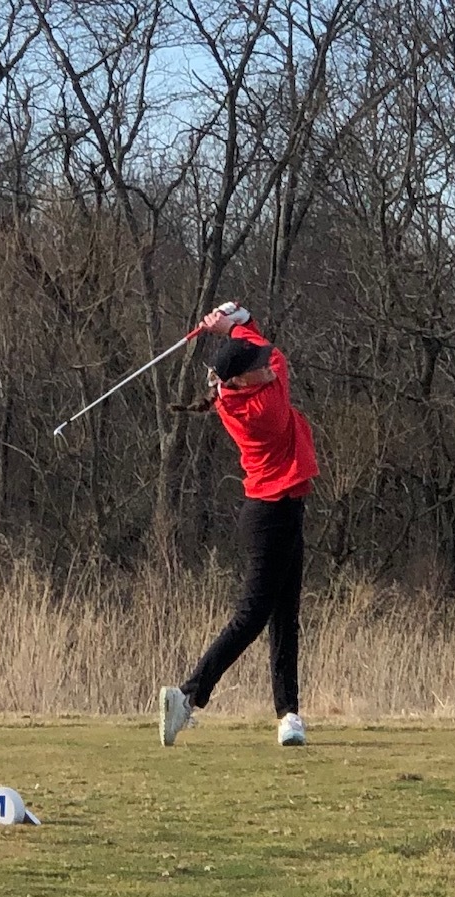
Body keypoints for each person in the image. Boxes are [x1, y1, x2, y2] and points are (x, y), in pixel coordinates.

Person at [159, 302, 319, 748]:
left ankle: (289, 715)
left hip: (280, 508)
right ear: (242, 380)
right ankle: (188, 695)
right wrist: (235, 324)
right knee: (254, 615)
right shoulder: (266, 404)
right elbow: (272, 353)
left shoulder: (235, 392)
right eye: (258, 367)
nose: (267, 366)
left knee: (285, 614)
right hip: (272, 514)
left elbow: (257, 350)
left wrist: (227, 329)